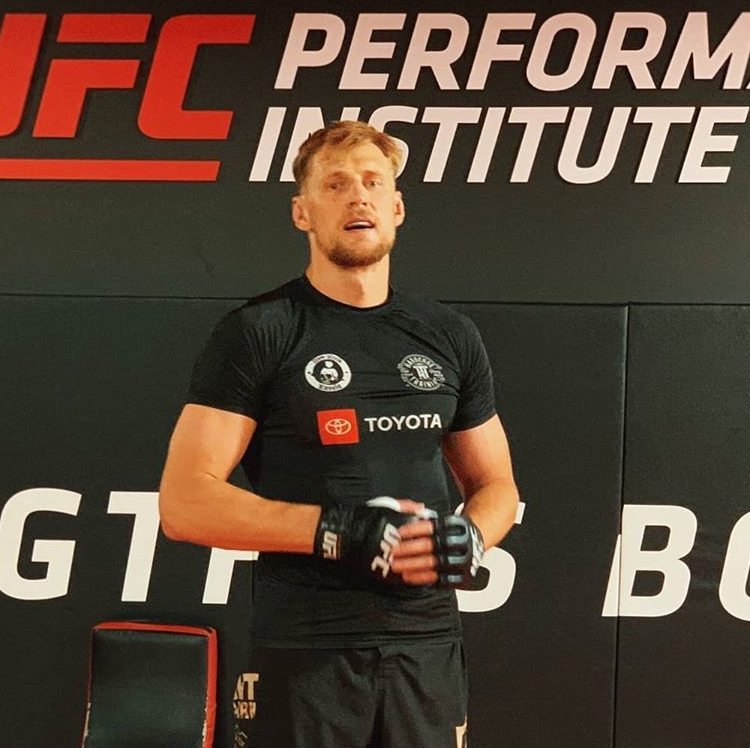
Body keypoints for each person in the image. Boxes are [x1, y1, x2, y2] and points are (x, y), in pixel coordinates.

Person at [158, 120, 519, 748]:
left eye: (373, 183)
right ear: (302, 212)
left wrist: (474, 536)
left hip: (426, 647)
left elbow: (498, 485)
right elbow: (184, 503)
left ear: (396, 207)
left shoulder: (449, 335)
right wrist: (337, 531)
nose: (358, 196)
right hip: (307, 649)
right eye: (336, 184)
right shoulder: (260, 331)